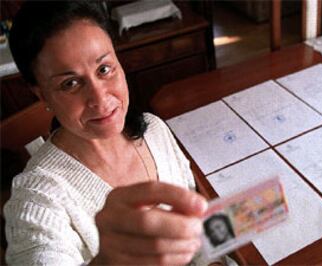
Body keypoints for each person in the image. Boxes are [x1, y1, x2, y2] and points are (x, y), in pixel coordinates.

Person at [2, 1, 235, 265]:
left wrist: (212, 259)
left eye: (104, 69)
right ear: (41, 94)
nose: (100, 100)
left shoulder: (154, 130)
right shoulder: (38, 197)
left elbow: (197, 223)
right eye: (70, 83)